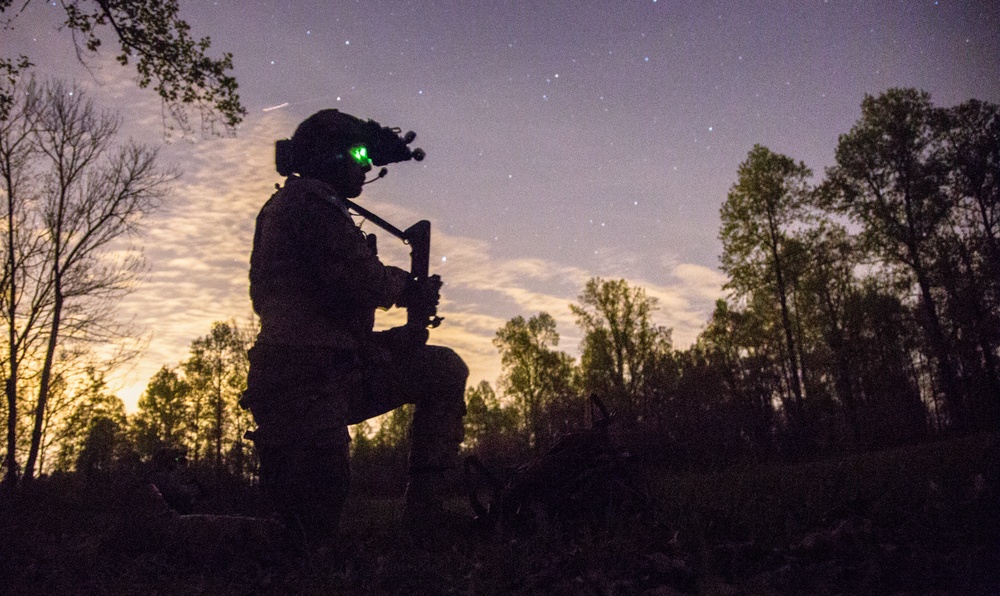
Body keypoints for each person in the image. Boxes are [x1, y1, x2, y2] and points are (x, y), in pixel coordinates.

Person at [240, 109, 468, 541]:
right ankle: (166, 531)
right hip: (302, 384)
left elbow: (328, 305)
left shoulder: (297, 204)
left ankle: (425, 517)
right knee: (303, 536)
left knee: (443, 369)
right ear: (329, 158)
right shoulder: (308, 201)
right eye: (357, 154)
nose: (365, 165)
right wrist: (408, 288)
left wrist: (389, 338)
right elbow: (359, 279)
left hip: (332, 373)